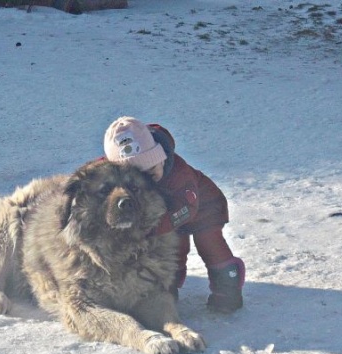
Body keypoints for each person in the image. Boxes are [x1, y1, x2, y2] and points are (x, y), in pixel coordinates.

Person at [103, 116, 245, 313]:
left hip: (201, 207)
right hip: (164, 214)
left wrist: (148, 230)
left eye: (152, 171)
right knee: (173, 249)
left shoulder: (179, 176)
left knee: (209, 245)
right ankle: (167, 288)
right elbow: (96, 172)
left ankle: (227, 287)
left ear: (161, 158)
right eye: (137, 179)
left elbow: (185, 209)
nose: (148, 181)